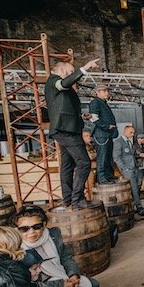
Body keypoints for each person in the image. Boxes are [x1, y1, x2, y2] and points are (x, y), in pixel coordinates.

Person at [13, 205, 100, 287]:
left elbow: (66, 258)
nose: (31, 232)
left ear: (44, 224)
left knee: (93, 285)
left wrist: (73, 275)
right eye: (24, 229)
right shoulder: (17, 249)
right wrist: (60, 286)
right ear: (17, 229)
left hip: (60, 275)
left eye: (37, 226)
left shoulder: (53, 235)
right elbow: (26, 286)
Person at [45, 58, 99, 209]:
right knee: (84, 163)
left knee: (67, 165)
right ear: (62, 71)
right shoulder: (53, 81)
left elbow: (63, 108)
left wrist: (81, 117)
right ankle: (77, 199)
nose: (72, 75)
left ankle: (68, 199)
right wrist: (85, 67)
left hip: (67, 129)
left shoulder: (62, 89)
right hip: (66, 131)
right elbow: (63, 84)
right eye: (70, 72)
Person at [112, 125, 144, 216]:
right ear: (125, 131)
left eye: (133, 133)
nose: (132, 134)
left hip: (134, 167)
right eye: (131, 132)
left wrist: (139, 156)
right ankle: (139, 208)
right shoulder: (118, 142)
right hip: (128, 169)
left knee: (137, 186)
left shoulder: (129, 142)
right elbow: (116, 158)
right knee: (134, 189)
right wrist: (124, 169)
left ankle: (133, 206)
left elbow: (132, 155)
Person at [88, 84, 118, 184]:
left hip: (107, 134)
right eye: (104, 91)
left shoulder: (102, 103)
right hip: (101, 134)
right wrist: (106, 126)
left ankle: (108, 175)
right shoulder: (95, 102)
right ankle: (102, 178)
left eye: (107, 91)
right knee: (102, 156)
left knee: (108, 156)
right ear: (97, 92)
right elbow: (93, 118)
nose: (107, 93)